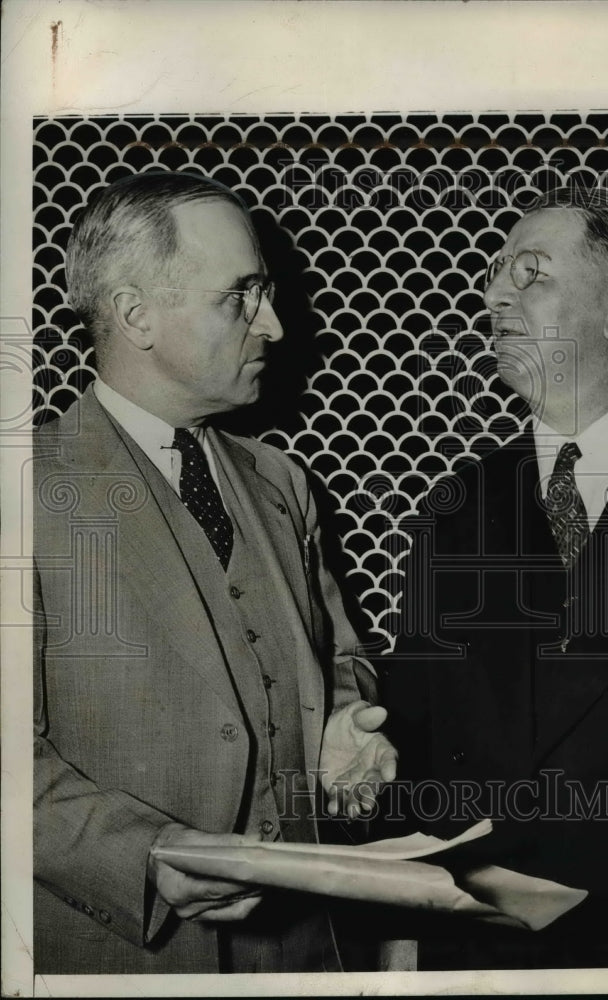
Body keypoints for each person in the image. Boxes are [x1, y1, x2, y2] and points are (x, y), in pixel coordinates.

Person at [33, 170, 397, 975]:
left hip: (313, 956)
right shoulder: (23, 490)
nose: (273, 323)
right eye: (242, 295)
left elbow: (341, 660)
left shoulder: (282, 481)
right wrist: (144, 858)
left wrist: (346, 720)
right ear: (136, 315)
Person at [383, 187, 608, 968]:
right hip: (481, 954)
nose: (492, 291)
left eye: (529, 273)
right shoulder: (455, 507)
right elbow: (418, 745)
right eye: (497, 269)